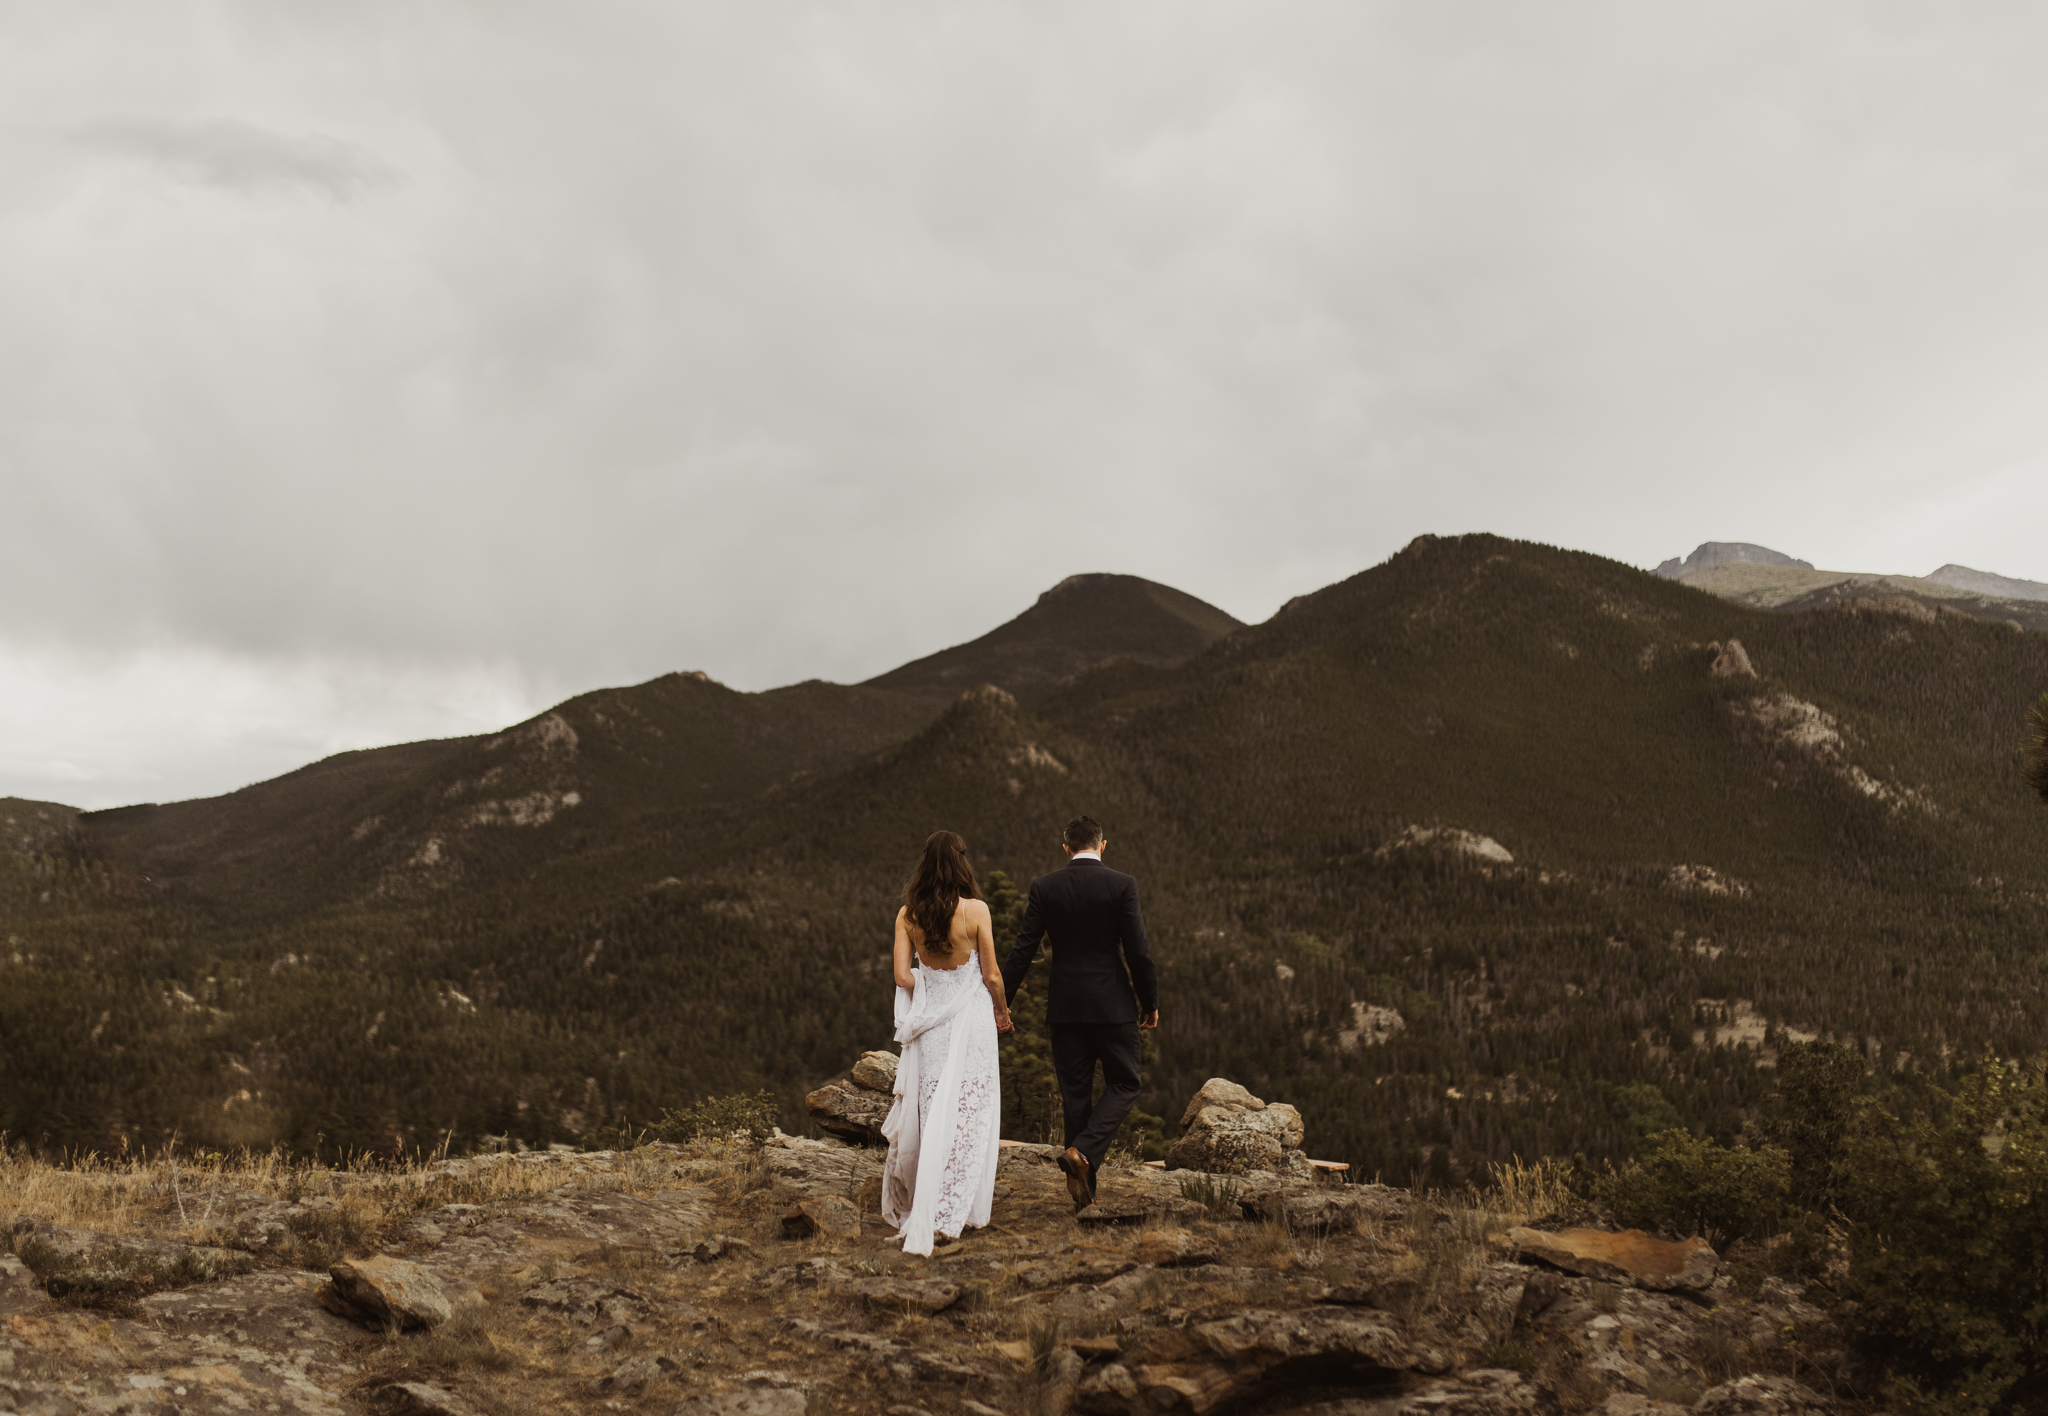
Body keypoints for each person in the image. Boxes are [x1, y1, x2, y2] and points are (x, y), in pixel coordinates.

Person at [1003, 814, 1158, 1211]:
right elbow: (1138, 951)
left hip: (1066, 1007)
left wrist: (1000, 1003)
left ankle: (1085, 1197)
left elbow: (1023, 949)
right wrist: (1149, 1002)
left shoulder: (1044, 887)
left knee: (1076, 1097)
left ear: (1067, 848)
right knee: (1125, 1082)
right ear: (1102, 845)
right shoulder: (1122, 884)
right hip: (1112, 1006)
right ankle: (1084, 1153)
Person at [880, 830, 1014, 1256]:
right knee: (970, 1109)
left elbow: (903, 977)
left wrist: (932, 982)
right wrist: (1003, 1012)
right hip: (971, 1019)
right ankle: (955, 1207)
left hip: (932, 1026)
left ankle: (930, 1203)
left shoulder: (907, 915)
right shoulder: (976, 911)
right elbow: (992, 975)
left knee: (932, 1108)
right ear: (961, 863)